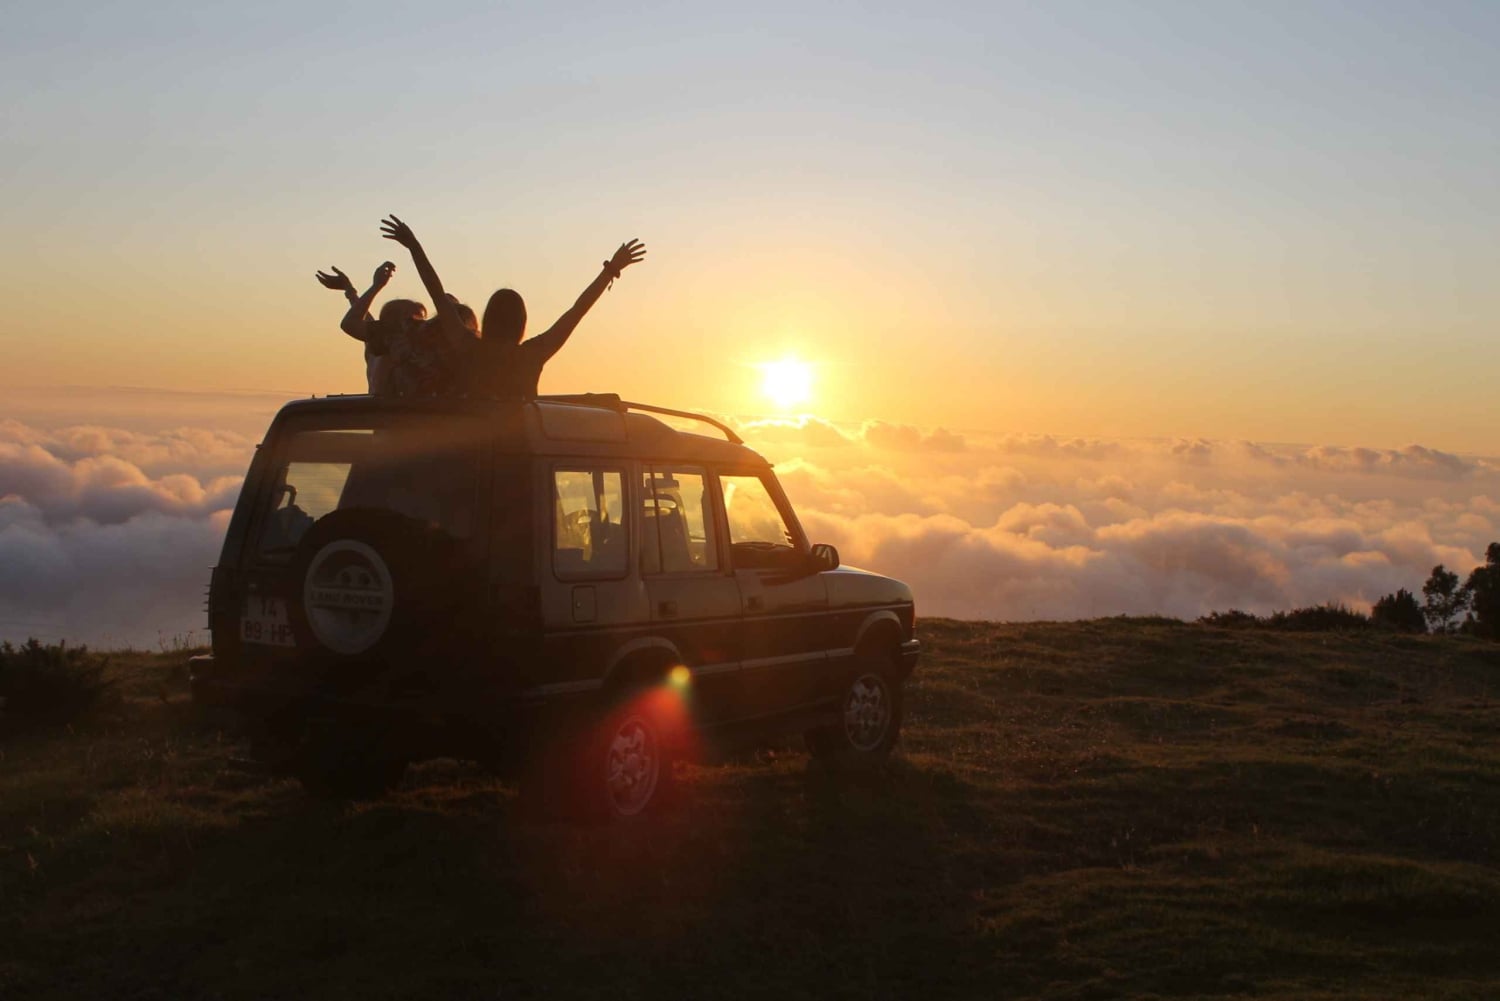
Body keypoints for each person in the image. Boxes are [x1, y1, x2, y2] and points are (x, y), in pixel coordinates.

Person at [378, 214, 645, 398]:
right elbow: (577, 311)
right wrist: (610, 270)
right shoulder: (531, 356)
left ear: (488, 319)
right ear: (521, 323)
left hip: (473, 459)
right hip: (520, 460)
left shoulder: (468, 348)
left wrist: (414, 246)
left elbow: (436, 293)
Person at [315, 261, 427, 395]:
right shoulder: (380, 345)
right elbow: (352, 323)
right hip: (385, 413)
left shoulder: (422, 348)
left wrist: (350, 290)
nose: (419, 327)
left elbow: (361, 320)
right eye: (413, 321)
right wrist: (374, 286)